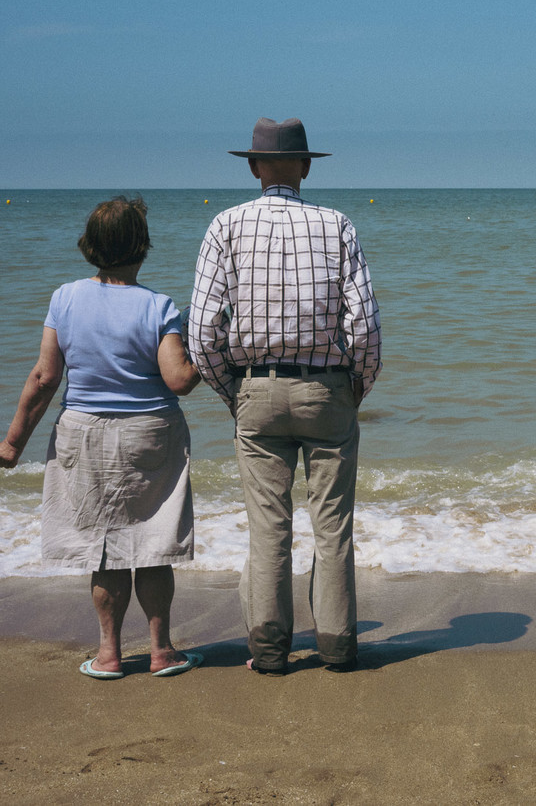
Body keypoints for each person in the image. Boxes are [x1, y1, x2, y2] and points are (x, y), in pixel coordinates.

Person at [190, 117, 381, 676]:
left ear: (253, 167)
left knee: (268, 529)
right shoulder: (336, 225)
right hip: (326, 389)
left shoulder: (225, 225)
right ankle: (339, 648)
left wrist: (236, 392)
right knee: (333, 526)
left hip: (256, 387)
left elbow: (203, 331)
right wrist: (353, 388)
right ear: (305, 167)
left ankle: (270, 653)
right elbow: (364, 326)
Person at [0, 195, 203, 678]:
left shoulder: (64, 298)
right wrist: (208, 352)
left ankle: (108, 655)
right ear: (142, 247)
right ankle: (161, 652)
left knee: (103, 549)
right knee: (151, 545)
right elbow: (179, 382)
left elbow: (45, 378)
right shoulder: (159, 306)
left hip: (82, 431)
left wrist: (13, 443)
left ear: (90, 246)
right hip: (151, 431)